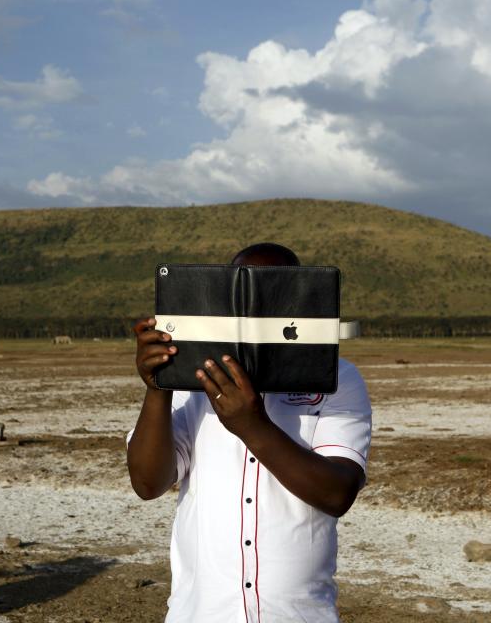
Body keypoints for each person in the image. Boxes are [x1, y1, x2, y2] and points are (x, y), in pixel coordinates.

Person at [126, 242, 372, 623]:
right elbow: (147, 482)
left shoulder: (338, 379)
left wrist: (251, 426)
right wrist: (157, 387)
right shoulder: (194, 378)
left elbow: (337, 492)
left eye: (276, 293)